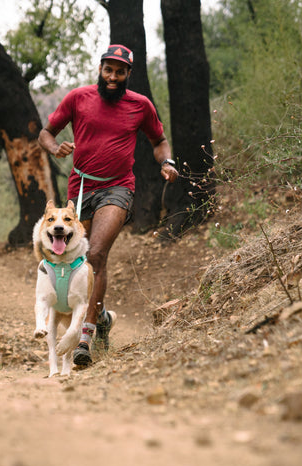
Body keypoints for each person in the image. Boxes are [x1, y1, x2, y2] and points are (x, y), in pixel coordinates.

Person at [38, 43, 179, 367]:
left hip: (118, 188)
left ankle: (84, 335)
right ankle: (101, 317)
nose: (113, 76)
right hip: (80, 188)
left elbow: (158, 141)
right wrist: (55, 147)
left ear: (128, 74)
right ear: (100, 70)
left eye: (120, 71)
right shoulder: (78, 98)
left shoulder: (140, 105)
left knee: (96, 255)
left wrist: (166, 162)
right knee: (74, 262)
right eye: (108, 70)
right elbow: (46, 133)